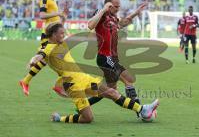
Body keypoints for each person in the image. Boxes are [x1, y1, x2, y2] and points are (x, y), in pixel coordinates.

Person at [22, 22, 159, 123]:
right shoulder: (48, 48)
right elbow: (39, 55)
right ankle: (60, 118)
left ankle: (143, 110)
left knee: (111, 92)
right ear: (53, 35)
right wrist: (33, 61)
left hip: (85, 79)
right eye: (61, 33)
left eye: (64, 33)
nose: (64, 35)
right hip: (73, 86)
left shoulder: (61, 43)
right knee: (88, 118)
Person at [87, 0, 147, 108]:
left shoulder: (113, 18)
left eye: (119, 6)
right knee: (128, 79)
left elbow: (121, 23)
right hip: (105, 57)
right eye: (115, 6)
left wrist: (135, 13)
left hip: (112, 57)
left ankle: (84, 104)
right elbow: (90, 25)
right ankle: (140, 110)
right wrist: (103, 9)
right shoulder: (102, 14)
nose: (118, 9)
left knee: (110, 89)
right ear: (108, 5)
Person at [19, 0, 68, 95]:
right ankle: (59, 86)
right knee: (50, 58)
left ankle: (26, 81)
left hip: (55, 34)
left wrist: (62, 20)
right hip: (48, 34)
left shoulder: (53, 0)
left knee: (49, 60)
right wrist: (58, 13)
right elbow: (42, 15)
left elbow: (54, 19)